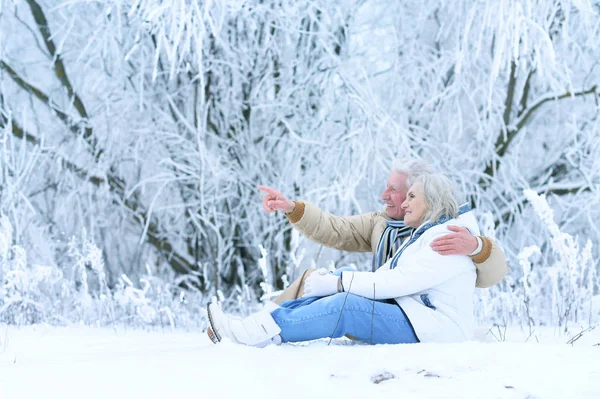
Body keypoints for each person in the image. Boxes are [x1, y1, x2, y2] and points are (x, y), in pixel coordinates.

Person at [207, 173, 480, 346]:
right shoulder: (425, 231)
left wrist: (340, 284)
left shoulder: (449, 237)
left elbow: (399, 281)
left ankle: (259, 332)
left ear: (431, 202)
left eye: (410, 196)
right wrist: (294, 209)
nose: (403, 202)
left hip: (437, 328)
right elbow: (337, 228)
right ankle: (260, 327)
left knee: (346, 305)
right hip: (417, 314)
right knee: (345, 282)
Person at [260, 159, 507, 304]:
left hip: (410, 315)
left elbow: (493, 275)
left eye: (393, 190)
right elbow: (333, 228)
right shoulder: (381, 224)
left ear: (419, 193)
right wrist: (292, 208)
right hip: (381, 300)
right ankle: (268, 321)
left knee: (338, 279)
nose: (383, 196)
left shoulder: (445, 230)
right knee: (318, 277)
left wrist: (477, 247)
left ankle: (268, 325)